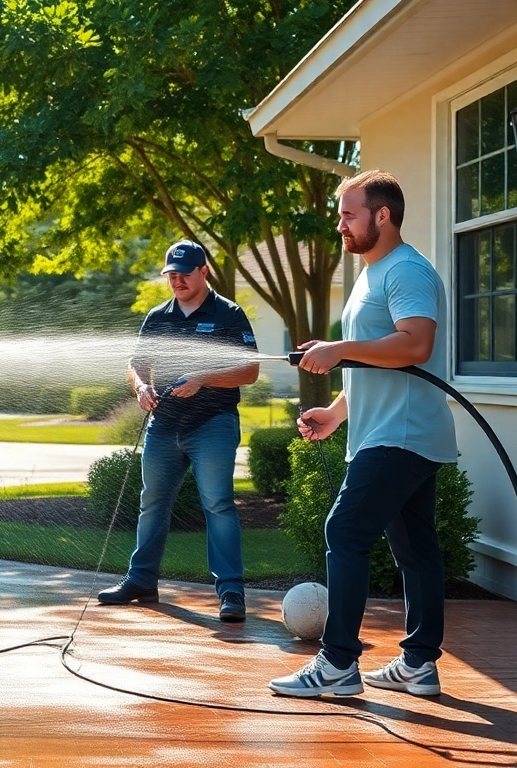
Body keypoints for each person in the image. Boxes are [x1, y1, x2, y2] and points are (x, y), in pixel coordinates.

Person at [269, 169, 457, 698]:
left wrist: (340, 349)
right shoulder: (372, 274)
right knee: (415, 549)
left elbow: (415, 345)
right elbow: (379, 361)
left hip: (400, 434)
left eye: (349, 215)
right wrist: (336, 411)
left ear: (383, 215)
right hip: (393, 431)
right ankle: (419, 664)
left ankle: (337, 664)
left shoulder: (406, 271)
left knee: (345, 532)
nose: (340, 225)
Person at [97, 239, 259, 622]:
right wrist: (141, 387)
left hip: (213, 424)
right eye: (171, 275)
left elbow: (250, 370)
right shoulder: (157, 317)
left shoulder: (229, 314)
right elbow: (136, 365)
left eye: (185, 274)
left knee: (217, 503)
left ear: (204, 272)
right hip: (164, 424)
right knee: (152, 502)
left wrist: (203, 378)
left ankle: (231, 593)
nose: (177, 281)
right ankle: (141, 581)